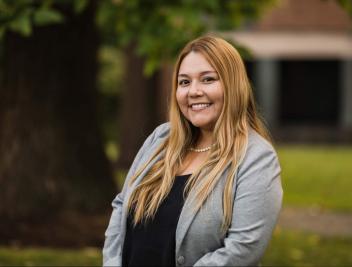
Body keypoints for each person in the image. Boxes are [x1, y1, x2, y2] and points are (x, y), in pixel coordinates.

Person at [103, 35, 283, 266]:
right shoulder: (160, 139)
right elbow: (121, 205)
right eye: (184, 82)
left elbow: (243, 247)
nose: (193, 91)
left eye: (207, 79)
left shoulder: (256, 158)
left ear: (233, 85)